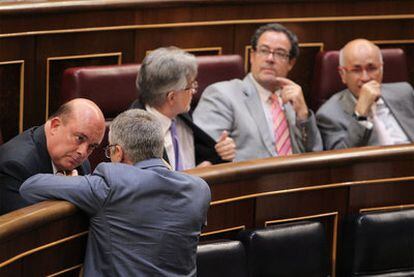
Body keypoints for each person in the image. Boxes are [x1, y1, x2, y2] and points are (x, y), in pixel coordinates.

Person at [20, 109, 211, 277]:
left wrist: (70, 182)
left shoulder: (112, 183)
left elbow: (30, 187)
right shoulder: (199, 190)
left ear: (117, 152)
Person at [193, 23, 322, 162]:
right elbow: (206, 156)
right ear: (252, 56)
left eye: (279, 53)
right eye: (264, 50)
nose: (270, 59)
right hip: (246, 182)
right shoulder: (221, 95)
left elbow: (316, 154)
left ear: (291, 63)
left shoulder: (294, 99)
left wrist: (303, 116)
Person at [130, 46, 235, 170]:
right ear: (172, 97)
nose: (194, 91)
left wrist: (222, 153)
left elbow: (204, 158)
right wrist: (192, 178)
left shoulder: (182, 115)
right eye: (190, 86)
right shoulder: (135, 134)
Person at [0, 98, 105, 215]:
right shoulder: (14, 167)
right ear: (55, 126)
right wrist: (66, 187)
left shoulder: (80, 164)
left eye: (92, 146)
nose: (83, 152)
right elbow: (26, 227)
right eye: (79, 138)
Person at [316, 39, 414, 150]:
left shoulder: (404, 92)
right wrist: (361, 114)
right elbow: (341, 159)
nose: (365, 78)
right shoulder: (329, 114)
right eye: (356, 70)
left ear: (381, 69)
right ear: (342, 74)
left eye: (372, 68)